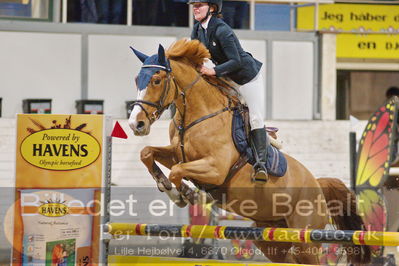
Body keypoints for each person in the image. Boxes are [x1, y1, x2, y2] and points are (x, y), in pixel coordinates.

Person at [188, 0, 268, 183]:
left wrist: (213, 71)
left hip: (246, 78)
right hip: (227, 78)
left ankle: (261, 165)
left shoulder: (222, 30)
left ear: (212, 8)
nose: (195, 8)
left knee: (255, 117)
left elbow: (236, 61)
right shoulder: (197, 30)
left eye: (200, 5)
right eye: (194, 5)